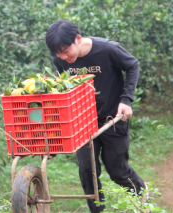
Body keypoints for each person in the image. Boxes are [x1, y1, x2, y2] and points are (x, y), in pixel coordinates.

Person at [45, 20, 145, 212]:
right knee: (87, 171)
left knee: (118, 171)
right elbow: (62, 89)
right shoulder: (60, 60)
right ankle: (97, 210)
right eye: (58, 54)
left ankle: (142, 195)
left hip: (112, 119)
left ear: (78, 39)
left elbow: (133, 65)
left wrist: (126, 100)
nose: (63, 57)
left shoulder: (107, 50)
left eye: (66, 50)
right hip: (81, 121)